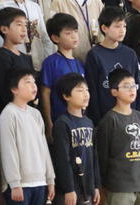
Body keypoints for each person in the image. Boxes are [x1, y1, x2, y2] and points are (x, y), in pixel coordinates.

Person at [0, 68, 55, 205]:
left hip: (40, 182)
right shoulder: (9, 114)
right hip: (21, 185)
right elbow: (8, 151)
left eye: (34, 82)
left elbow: (44, 148)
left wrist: (50, 179)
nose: (34, 86)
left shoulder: (36, 114)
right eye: (28, 82)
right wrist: (14, 183)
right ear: (14, 89)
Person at [95, 68, 140, 204]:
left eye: (134, 85)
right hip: (119, 186)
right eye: (126, 86)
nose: (132, 90)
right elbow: (102, 155)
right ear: (114, 92)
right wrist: (103, 184)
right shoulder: (110, 119)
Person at [85, 6, 140, 123]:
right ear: (104, 28)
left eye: (124, 26)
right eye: (117, 26)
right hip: (105, 117)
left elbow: (138, 85)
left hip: (130, 116)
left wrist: (138, 115)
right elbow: (93, 90)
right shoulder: (94, 55)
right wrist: (96, 120)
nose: (122, 30)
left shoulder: (130, 54)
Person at [51, 73, 100, 205]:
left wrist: (96, 185)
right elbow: (62, 159)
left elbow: (94, 157)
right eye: (80, 90)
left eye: (87, 90)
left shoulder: (89, 122)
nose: (86, 94)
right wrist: (69, 188)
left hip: (88, 187)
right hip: (70, 190)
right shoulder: (62, 123)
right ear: (66, 96)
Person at [40, 13, 86, 142]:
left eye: (75, 31)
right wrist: (49, 123)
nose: (74, 36)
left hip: (80, 120)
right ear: (55, 38)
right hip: (60, 120)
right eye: (68, 33)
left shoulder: (79, 63)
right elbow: (45, 93)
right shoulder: (51, 62)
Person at [0, 7, 33, 126]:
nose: (24, 29)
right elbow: (4, 92)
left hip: (27, 113)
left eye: (25, 25)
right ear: (4, 29)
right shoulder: (2, 58)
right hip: (11, 119)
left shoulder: (26, 58)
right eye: (19, 24)